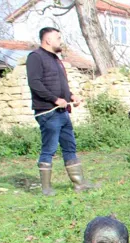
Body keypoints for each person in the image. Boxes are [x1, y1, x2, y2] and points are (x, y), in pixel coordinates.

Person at [26, 27, 92, 196]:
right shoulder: (36, 57)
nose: (60, 41)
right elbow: (35, 83)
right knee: (49, 148)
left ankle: (79, 184)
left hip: (63, 112)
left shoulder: (55, 59)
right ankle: (46, 189)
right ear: (47, 40)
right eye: (58, 38)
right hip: (48, 112)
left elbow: (60, 85)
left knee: (70, 146)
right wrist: (55, 100)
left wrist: (71, 96)